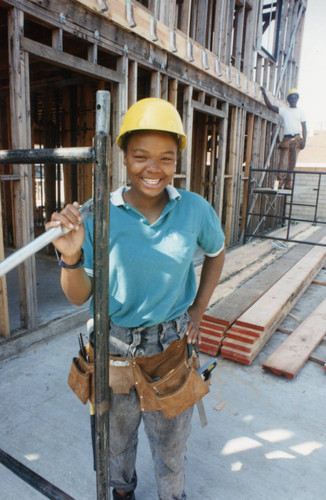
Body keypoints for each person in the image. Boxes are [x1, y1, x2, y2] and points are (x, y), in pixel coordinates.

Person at [45, 97, 225, 500]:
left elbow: (217, 252)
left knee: (171, 448)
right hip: (113, 353)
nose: (153, 168)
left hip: (171, 352)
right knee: (117, 445)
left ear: (177, 159)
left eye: (165, 157)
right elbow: (79, 298)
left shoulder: (194, 209)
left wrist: (198, 308)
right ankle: (123, 494)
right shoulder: (97, 214)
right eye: (141, 156)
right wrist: (71, 256)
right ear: (124, 157)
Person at [261, 87, 307, 189]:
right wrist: (264, 94)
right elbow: (270, 106)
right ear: (288, 100)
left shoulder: (301, 112)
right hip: (286, 138)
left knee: (292, 162)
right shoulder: (284, 110)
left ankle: (288, 182)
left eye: (295, 98)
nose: (293, 100)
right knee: (283, 161)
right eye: (291, 98)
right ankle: (280, 181)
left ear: (297, 99)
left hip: (297, 138)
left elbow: (304, 126)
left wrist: (304, 141)